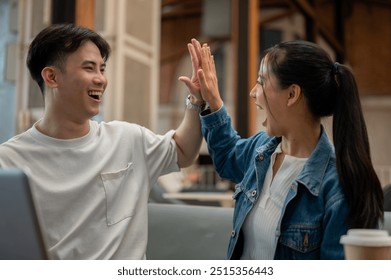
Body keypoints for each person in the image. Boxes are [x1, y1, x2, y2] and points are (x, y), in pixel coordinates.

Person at [0, 24, 206, 259]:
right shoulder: (8, 161)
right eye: (89, 68)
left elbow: (182, 150)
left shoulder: (127, 139)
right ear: (52, 76)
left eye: (102, 69)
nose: (101, 79)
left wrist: (196, 101)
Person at [181, 39, 384, 259]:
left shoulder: (337, 188)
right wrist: (211, 101)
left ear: (292, 95)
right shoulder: (262, 150)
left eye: (261, 81)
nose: (253, 92)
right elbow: (228, 157)